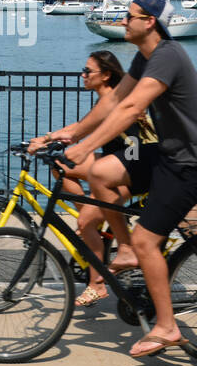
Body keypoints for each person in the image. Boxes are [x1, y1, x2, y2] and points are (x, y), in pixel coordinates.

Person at [59, 0, 197, 358]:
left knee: (151, 240)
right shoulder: (143, 56)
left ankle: (167, 326)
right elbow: (114, 101)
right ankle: (128, 249)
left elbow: (133, 106)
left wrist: (85, 147)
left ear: (149, 21)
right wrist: (68, 134)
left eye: (128, 16)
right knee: (102, 174)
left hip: (195, 163)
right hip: (169, 154)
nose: (122, 21)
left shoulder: (167, 56)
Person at [29, 51, 157, 307]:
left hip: (131, 173)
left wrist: (50, 139)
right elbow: (79, 127)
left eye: (88, 71)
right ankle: (93, 220)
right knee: (60, 165)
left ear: (106, 74)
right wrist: (47, 138)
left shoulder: (115, 101)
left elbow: (79, 132)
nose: (83, 75)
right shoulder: (106, 100)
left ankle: (96, 284)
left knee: (86, 221)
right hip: (120, 165)